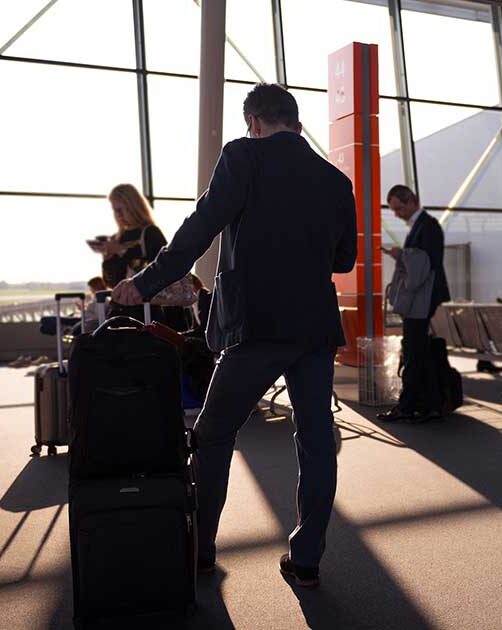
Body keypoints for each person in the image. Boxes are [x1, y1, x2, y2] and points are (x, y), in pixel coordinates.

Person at [111, 83, 358, 587]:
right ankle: (306, 559)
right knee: (315, 442)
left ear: (256, 123)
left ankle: (201, 548)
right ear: (296, 120)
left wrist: (145, 283)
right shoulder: (336, 181)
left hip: (256, 325)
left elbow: (200, 227)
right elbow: (343, 260)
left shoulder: (244, 156)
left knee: (214, 433)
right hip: (313, 328)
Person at [377, 185, 451, 423]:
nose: (397, 214)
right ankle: (427, 404)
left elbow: (423, 267)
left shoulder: (427, 227)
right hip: (425, 298)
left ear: (412, 202)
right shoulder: (425, 226)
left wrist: (401, 255)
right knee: (419, 351)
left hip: (422, 299)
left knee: (413, 351)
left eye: (399, 208)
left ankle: (409, 405)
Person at [93, 184, 195, 332]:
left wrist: (122, 252)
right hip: (129, 310)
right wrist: (108, 259)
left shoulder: (150, 233)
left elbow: (162, 269)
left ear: (132, 206)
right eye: (115, 210)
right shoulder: (118, 238)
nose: (118, 215)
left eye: (121, 209)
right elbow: (114, 284)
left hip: (157, 312)